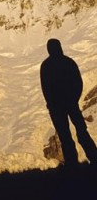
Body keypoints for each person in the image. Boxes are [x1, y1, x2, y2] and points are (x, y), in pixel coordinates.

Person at [40, 38, 97, 167]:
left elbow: (46, 88)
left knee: (66, 135)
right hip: (70, 104)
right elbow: (78, 83)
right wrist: (73, 99)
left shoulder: (46, 66)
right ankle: (93, 157)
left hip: (58, 107)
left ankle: (72, 164)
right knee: (81, 132)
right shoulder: (68, 62)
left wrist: (52, 103)